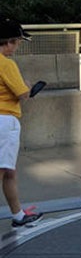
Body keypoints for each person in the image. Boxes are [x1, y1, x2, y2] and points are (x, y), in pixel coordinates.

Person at [0, 17, 43, 228]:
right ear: (7, 42)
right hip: (5, 121)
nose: (16, 47)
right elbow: (23, 93)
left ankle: (18, 215)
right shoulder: (6, 64)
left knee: (9, 172)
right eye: (16, 42)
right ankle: (17, 215)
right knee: (3, 171)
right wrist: (28, 85)